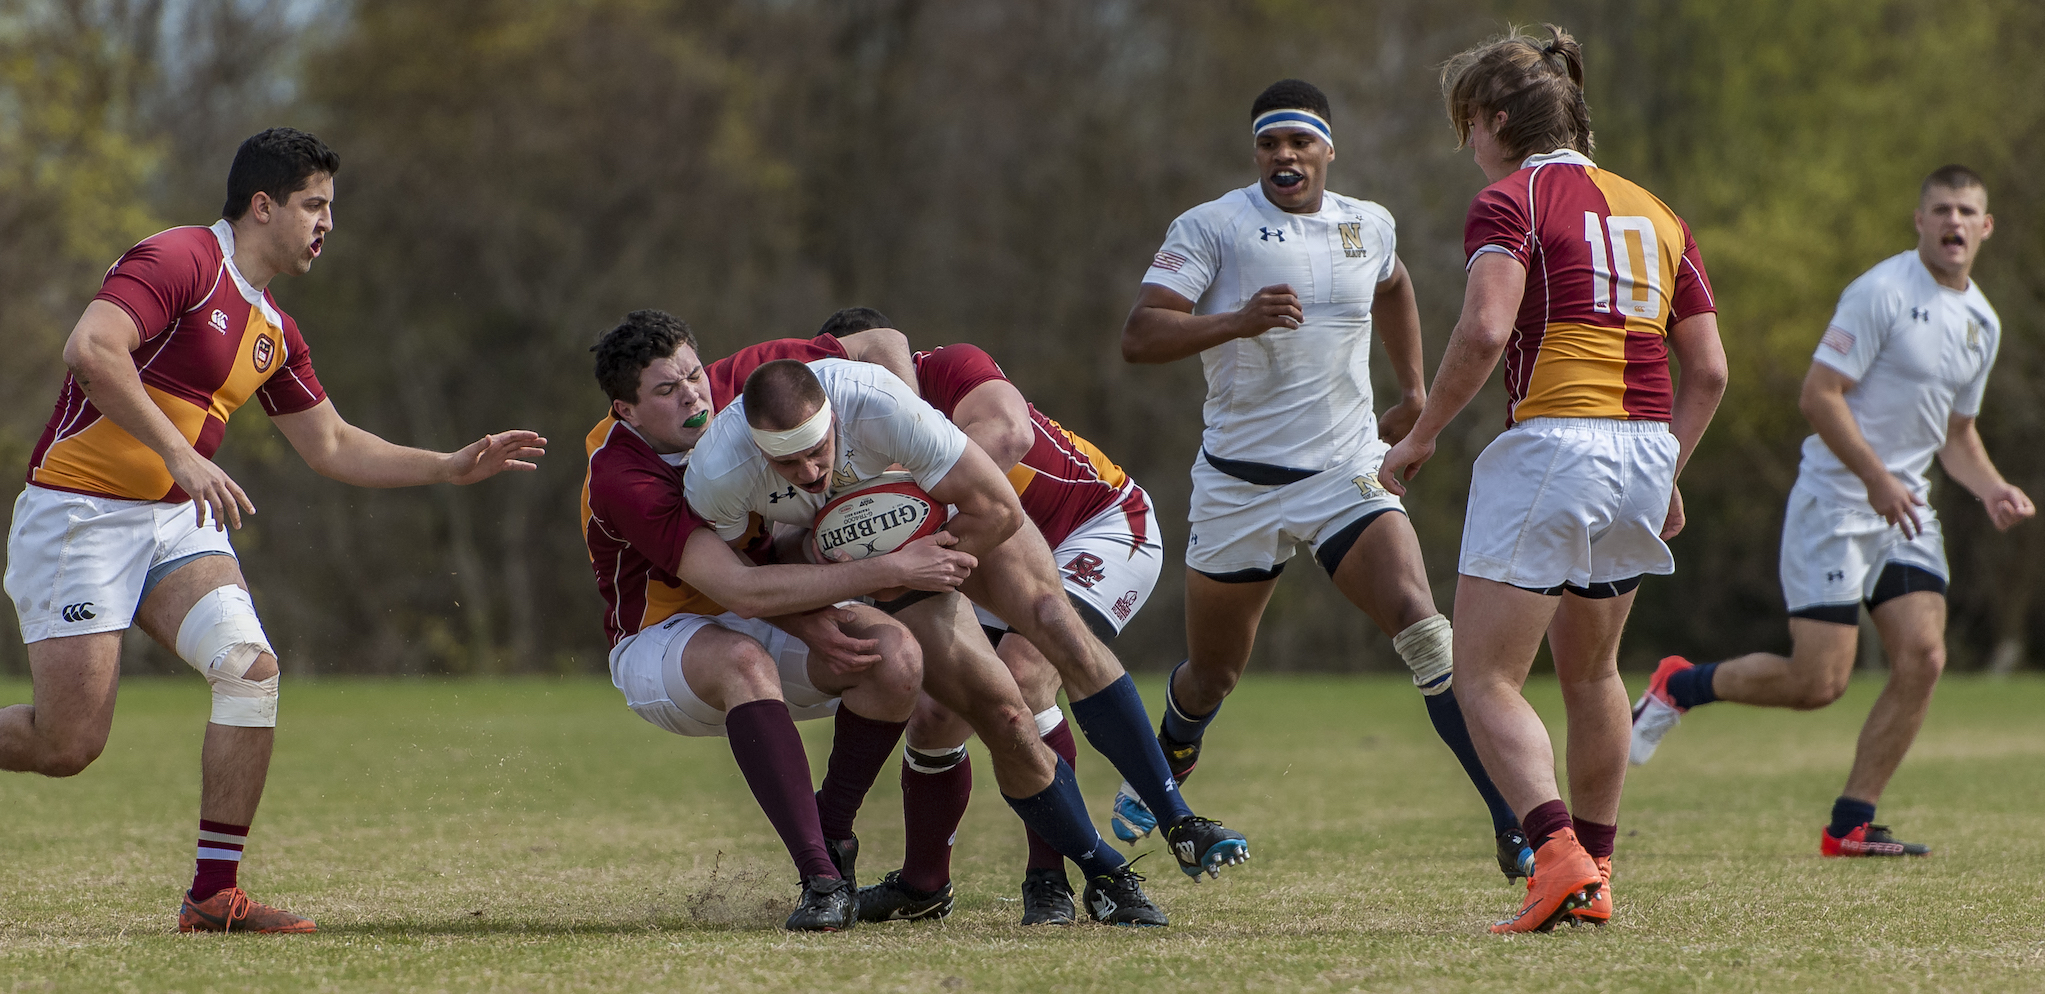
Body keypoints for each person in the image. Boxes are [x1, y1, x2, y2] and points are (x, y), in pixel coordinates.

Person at [1, 128, 548, 933]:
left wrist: (447, 464)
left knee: (251, 670)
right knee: (67, 744)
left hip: (174, 525)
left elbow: (330, 444)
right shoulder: (180, 259)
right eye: (314, 205)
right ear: (263, 205)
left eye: (331, 208)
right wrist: (182, 456)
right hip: (80, 516)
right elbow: (91, 349)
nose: (328, 224)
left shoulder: (276, 331)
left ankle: (212, 895)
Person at [1118, 77, 1531, 880]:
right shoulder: (1212, 226)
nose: (1283, 155)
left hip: (1344, 471)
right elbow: (1139, 335)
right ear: (1256, 153)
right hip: (1237, 485)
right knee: (1212, 675)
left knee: (1423, 627)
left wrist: (1412, 390)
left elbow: (1394, 284)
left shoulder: (1366, 223)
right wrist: (1234, 319)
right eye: (1269, 143)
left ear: (1327, 150)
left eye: (1299, 142)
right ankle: (1178, 743)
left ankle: (1510, 825)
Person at [1377, 26, 1727, 932]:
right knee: (1594, 672)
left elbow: (1487, 331)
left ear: (1495, 118)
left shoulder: (1510, 200)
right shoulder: (1656, 211)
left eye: (1468, 128)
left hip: (1554, 448)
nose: (1470, 150)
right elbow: (1710, 371)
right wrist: (1667, 468)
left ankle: (1556, 855)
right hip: (1643, 448)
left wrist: (1419, 436)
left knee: (1482, 676)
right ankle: (1597, 867)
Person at [687, 357, 1245, 924]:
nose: (808, 471)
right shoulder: (717, 474)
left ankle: (1178, 819)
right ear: (757, 448)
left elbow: (1000, 505)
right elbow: (752, 577)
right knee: (1000, 715)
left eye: (818, 449)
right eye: (788, 461)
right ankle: (1104, 872)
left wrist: (919, 557)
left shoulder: (880, 402)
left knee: (1052, 624)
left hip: (985, 527)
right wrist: (878, 575)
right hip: (894, 565)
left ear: (836, 413)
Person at [1628, 165, 2030, 858]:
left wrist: (1989, 486)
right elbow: (1819, 395)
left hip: (1904, 510)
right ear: (1919, 219)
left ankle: (1849, 823)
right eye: (1941, 210)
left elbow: (1957, 434)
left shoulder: (1981, 323)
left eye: (1966, 212)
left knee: (1924, 656)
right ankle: (1679, 684)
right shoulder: (1879, 293)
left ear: (1985, 226)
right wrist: (1874, 479)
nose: (1953, 223)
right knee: (1817, 683)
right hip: (1838, 502)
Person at [583, 309, 978, 930]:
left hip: (771, 605)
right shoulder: (620, 474)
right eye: (666, 389)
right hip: (661, 643)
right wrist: (888, 571)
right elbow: (736, 586)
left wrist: (900, 471)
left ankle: (835, 831)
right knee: (745, 660)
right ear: (625, 411)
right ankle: (820, 879)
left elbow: (882, 341)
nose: (692, 394)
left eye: (691, 374)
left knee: (896, 659)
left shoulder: (745, 383)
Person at [817, 308, 1164, 926]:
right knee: (938, 710)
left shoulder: (947, 369)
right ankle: (924, 885)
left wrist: (904, 502)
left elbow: (1008, 435)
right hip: (978, 546)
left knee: (1026, 673)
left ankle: (1051, 879)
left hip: (1098, 525)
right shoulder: (829, 437)